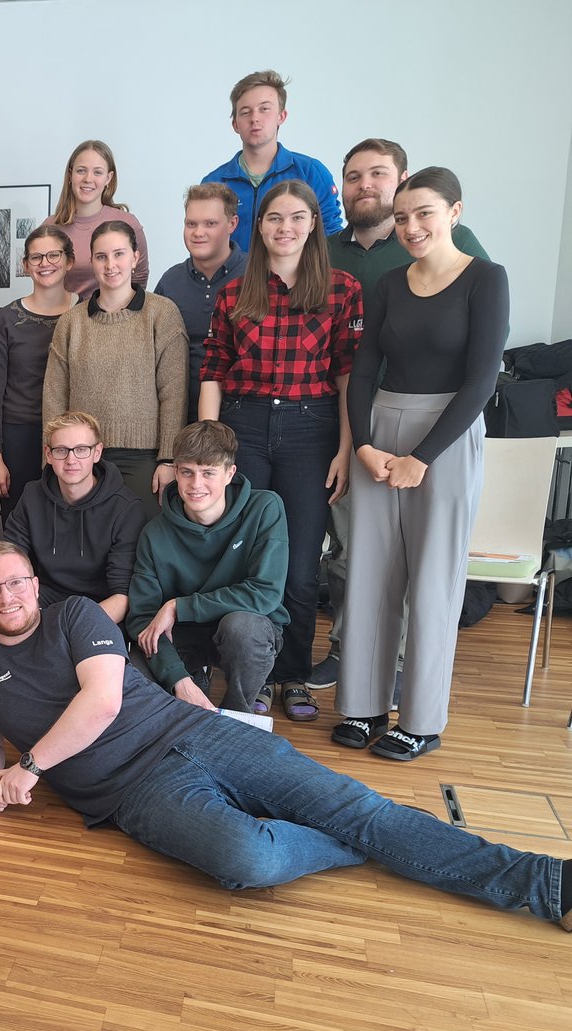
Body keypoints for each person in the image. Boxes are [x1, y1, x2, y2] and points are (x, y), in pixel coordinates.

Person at [0, 541, 572, 936]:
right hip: (132, 791)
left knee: (359, 810)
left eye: (17, 582)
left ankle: (547, 883)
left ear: (34, 583)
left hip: (198, 732)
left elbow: (103, 701)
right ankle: (373, 835)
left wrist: (30, 766)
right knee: (249, 860)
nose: (7, 596)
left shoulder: (75, 615)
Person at [335, 168, 510, 761]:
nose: (411, 227)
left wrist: (422, 458)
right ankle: (363, 705)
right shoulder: (389, 284)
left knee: (433, 581)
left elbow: (482, 380)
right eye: (403, 217)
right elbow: (364, 369)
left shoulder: (486, 279)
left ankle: (421, 720)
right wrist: (363, 443)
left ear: (454, 212)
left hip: (447, 436)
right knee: (369, 575)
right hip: (381, 432)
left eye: (424, 213)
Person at [310, 139, 491, 693]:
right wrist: (360, 440)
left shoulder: (466, 259)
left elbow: (481, 364)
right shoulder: (331, 253)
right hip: (356, 419)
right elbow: (353, 360)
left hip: (436, 425)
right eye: (353, 176)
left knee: (426, 566)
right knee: (357, 556)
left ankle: (408, 674)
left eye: (378, 175)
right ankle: (353, 663)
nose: (365, 185)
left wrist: (422, 450)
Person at [199, 180, 363, 722]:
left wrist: (345, 449)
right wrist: (208, 449)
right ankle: (254, 676)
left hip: (311, 430)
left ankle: (293, 675)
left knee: (299, 565)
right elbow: (214, 370)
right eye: (274, 218)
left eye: (296, 217)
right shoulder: (234, 292)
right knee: (245, 555)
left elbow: (348, 376)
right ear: (259, 226)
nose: (284, 227)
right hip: (243, 426)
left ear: (313, 224)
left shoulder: (341, 289)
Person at [125, 421, 289, 715]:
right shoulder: (154, 532)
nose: (196, 485)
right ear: (176, 472)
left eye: (208, 473)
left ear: (229, 473)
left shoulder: (265, 508)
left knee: (242, 629)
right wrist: (179, 680)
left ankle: (236, 717)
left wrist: (179, 606)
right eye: (187, 472)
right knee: (133, 671)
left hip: (244, 629)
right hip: (182, 634)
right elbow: (142, 617)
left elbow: (265, 593)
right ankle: (192, 685)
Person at [43, 221, 187, 522]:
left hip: (144, 457)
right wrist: (53, 455)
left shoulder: (162, 314)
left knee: (140, 536)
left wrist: (168, 459)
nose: (110, 265)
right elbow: (55, 396)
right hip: (81, 454)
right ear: (92, 262)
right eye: (101, 256)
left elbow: (174, 392)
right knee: (84, 536)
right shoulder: (71, 322)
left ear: (135, 257)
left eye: (119, 254)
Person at [2, 412, 145, 620]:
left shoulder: (126, 508)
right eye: (61, 450)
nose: (71, 460)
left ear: (97, 452)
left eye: (81, 450)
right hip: (45, 595)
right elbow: (10, 560)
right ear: (48, 454)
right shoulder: (32, 495)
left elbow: (123, 596)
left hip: (97, 605)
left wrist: (71, 627)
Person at [0, 225, 80, 517]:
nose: (45, 263)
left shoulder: (86, 314)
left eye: (53, 255)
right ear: (26, 265)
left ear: (69, 261)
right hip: (18, 437)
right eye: (36, 257)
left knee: (69, 521)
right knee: (21, 522)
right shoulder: (5, 320)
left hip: (72, 437)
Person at [201, 70, 343, 253]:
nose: (255, 118)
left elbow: (330, 238)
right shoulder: (214, 182)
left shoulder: (311, 172)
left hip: (299, 272)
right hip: (234, 273)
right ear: (235, 124)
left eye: (264, 109)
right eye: (245, 112)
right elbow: (204, 244)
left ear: (281, 116)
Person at [153, 183, 248, 424]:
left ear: (232, 224)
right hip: (181, 416)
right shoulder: (170, 282)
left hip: (245, 417)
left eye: (210, 224)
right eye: (191, 224)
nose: (198, 232)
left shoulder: (257, 276)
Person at [45, 140, 150, 297]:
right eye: (81, 171)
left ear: (108, 178)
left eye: (97, 172)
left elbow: (139, 278)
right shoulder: (50, 228)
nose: (88, 178)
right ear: (70, 175)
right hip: (65, 312)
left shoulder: (128, 223)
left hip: (117, 312)